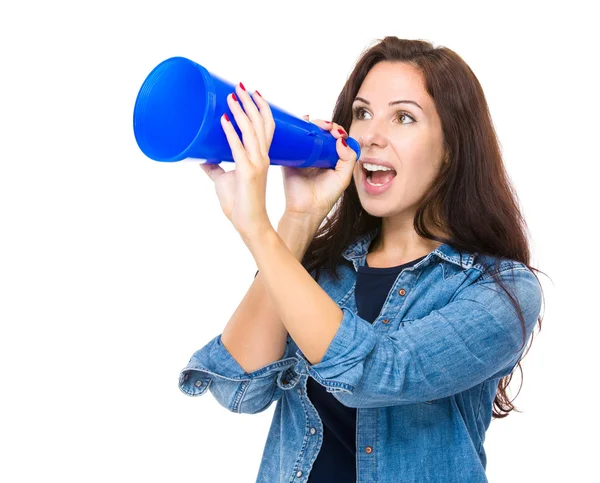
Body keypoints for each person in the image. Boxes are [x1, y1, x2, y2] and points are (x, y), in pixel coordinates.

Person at [179, 36, 546, 483]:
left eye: (403, 117)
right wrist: (299, 217)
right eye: (362, 112)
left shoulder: (501, 291)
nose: (370, 136)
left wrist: (257, 228)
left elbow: (378, 373)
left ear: (451, 149)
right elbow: (242, 386)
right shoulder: (319, 272)